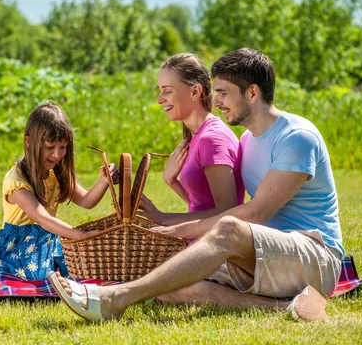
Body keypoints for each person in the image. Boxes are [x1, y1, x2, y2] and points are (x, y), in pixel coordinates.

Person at [48, 48, 343, 322]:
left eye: (225, 93)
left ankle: (115, 299)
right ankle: (288, 307)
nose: (216, 102)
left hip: (315, 255)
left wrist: (176, 228)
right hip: (266, 253)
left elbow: (253, 215)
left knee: (227, 228)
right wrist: (172, 188)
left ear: (252, 93)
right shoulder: (247, 141)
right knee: (168, 279)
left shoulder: (297, 138)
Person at [0, 101, 118, 280]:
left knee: (79, 271)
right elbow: (42, 218)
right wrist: (81, 235)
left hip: (47, 242)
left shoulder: (56, 174)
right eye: (50, 147)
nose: (57, 154)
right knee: (37, 277)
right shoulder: (17, 182)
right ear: (29, 142)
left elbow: (87, 201)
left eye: (63, 147)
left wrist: (104, 180)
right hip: (18, 245)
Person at [137, 53, 245, 232]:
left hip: (214, 251)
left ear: (195, 92)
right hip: (198, 242)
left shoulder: (212, 139)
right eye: (159, 90)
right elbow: (203, 205)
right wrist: (171, 181)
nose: (159, 99)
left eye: (167, 91)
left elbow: (227, 214)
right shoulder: (197, 136)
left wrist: (163, 218)